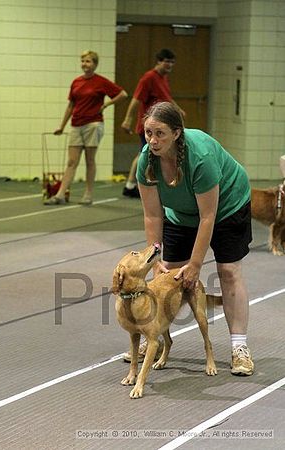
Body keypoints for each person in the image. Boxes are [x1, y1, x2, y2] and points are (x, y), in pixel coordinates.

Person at [123, 101, 254, 376]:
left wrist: (195, 265)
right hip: (182, 213)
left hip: (228, 206)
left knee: (228, 271)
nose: (153, 140)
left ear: (177, 133)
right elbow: (152, 216)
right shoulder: (147, 159)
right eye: (148, 133)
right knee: (167, 274)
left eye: (160, 133)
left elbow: (208, 217)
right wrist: (154, 256)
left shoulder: (200, 157)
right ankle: (153, 338)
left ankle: (239, 348)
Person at [44, 50, 127, 205]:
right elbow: (71, 105)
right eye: (83, 61)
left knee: (90, 160)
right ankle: (60, 194)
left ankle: (88, 194)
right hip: (76, 124)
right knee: (71, 161)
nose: (85, 64)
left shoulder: (101, 81)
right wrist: (61, 126)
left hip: (93, 124)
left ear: (95, 64)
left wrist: (107, 104)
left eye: (88, 61)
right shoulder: (76, 82)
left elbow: (123, 94)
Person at [121, 48, 185, 198]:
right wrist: (127, 120)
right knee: (145, 154)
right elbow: (136, 99)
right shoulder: (148, 78)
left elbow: (167, 98)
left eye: (172, 63)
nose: (169, 65)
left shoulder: (164, 78)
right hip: (150, 127)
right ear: (159, 61)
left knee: (145, 153)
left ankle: (131, 184)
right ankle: (132, 184)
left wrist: (178, 109)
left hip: (162, 125)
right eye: (166, 62)